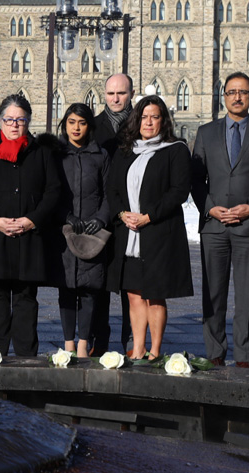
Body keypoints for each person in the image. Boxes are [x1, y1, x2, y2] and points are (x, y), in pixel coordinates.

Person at [192, 71, 249, 368]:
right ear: (224, 96)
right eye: (231, 92)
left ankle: (245, 357)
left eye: (243, 92)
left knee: (247, 296)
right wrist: (209, 208)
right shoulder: (206, 133)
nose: (237, 97)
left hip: (248, 226)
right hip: (214, 225)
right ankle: (215, 353)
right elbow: (195, 179)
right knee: (213, 294)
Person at [0, 94, 62, 357]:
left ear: (28, 121)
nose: (15, 125)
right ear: (0, 121)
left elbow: (53, 191)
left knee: (26, 299)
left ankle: (26, 355)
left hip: (29, 236)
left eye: (20, 119)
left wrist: (33, 219)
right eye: (9, 119)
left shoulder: (41, 152)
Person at [105, 95, 193, 361]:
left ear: (163, 121)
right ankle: (138, 348)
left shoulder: (175, 150)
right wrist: (122, 214)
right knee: (134, 296)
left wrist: (148, 216)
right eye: (144, 117)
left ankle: (155, 350)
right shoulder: (125, 151)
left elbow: (179, 191)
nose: (149, 122)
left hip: (158, 234)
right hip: (128, 233)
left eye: (155, 117)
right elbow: (113, 188)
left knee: (155, 295)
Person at [56, 103, 110, 358]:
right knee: (66, 288)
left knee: (89, 290)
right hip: (64, 231)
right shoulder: (56, 154)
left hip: (91, 233)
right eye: (72, 122)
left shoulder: (100, 155)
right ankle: (68, 342)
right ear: (64, 124)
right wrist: (64, 216)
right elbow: (49, 193)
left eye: (82, 122)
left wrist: (100, 219)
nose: (76, 128)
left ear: (89, 126)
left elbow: (110, 193)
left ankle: (83, 344)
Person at [90, 73, 135, 354]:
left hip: (133, 214)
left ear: (131, 93)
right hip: (104, 213)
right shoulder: (94, 126)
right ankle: (100, 340)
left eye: (121, 93)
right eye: (110, 93)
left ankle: (132, 341)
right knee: (101, 283)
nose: (115, 98)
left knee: (132, 283)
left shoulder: (143, 123)